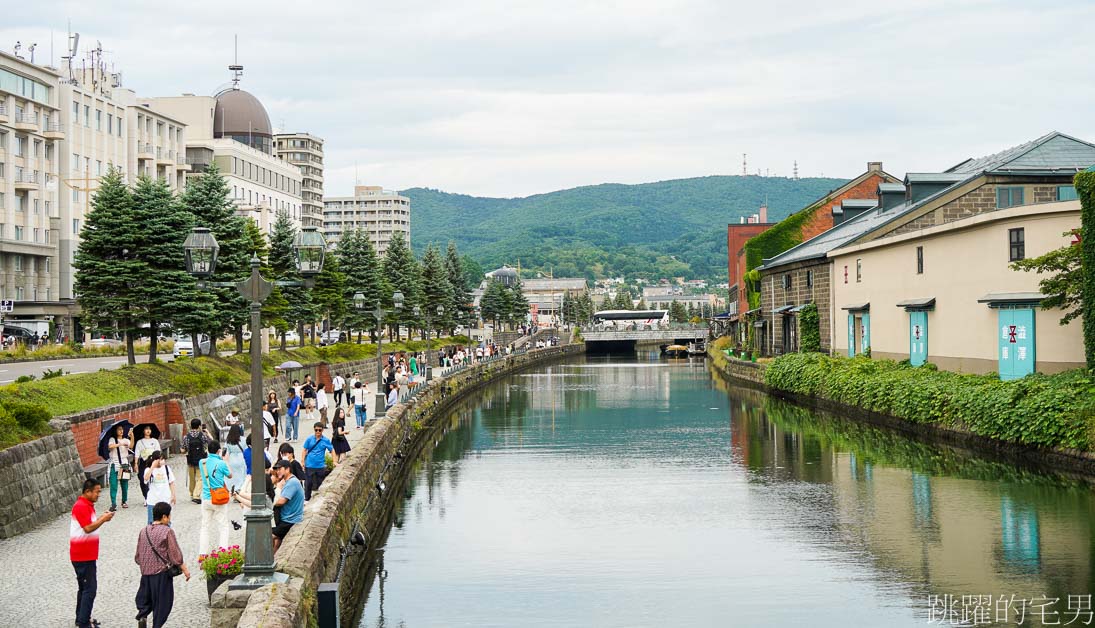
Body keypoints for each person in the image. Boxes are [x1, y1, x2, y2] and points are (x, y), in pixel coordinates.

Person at [134, 502, 190, 628]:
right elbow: (175, 554)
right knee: (162, 603)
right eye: (169, 516)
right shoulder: (167, 531)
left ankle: (143, 616)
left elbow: (138, 556)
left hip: (145, 574)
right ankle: (157, 625)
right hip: (161, 575)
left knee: (145, 599)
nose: (170, 518)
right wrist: (185, 569)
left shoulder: (143, 531)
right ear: (164, 517)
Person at [71, 478, 114, 628]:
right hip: (83, 555)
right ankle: (84, 623)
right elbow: (88, 528)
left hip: (86, 554)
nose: (98, 495)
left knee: (84, 588)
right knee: (90, 589)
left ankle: (81, 617)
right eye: (97, 492)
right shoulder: (81, 506)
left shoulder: (88, 505)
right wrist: (103, 519)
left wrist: (102, 518)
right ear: (87, 491)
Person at [198, 441, 232, 555]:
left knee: (205, 526)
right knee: (223, 526)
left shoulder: (201, 463)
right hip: (219, 498)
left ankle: (203, 553)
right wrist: (225, 461)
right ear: (219, 451)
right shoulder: (221, 463)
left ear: (208, 450)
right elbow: (230, 475)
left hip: (206, 497)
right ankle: (222, 552)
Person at [271, 459, 304, 553]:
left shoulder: (292, 483)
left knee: (267, 537)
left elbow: (282, 501)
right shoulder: (289, 481)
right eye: (276, 470)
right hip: (289, 518)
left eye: (279, 469)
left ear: (287, 469)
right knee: (277, 542)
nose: (278, 472)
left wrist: (270, 504)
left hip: (289, 520)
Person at [142, 451, 176, 525]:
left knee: (167, 522)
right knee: (152, 523)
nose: (162, 461)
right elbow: (146, 478)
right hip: (153, 501)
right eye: (160, 459)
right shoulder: (148, 470)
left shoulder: (167, 468)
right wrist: (152, 467)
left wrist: (173, 495)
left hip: (165, 500)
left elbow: (171, 482)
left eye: (163, 459)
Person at [302, 422, 334, 500]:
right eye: (316, 430)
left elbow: (332, 450)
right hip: (309, 465)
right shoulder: (309, 439)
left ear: (322, 430)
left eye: (319, 430)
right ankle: (307, 498)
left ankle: (320, 499)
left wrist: (334, 461)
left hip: (320, 465)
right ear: (314, 429)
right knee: (308, 483)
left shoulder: (325, 440)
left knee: (320, 484)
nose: (318, 432)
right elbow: (304, 449)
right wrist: (302, 461)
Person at [183, 419, 212, 504]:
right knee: (200, 478)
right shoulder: (202, 435)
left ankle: (192, 493)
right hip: (201, 459)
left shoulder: (186, 436)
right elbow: (211, 441)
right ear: (199, 426)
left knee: (192, 478)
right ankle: (196, 495)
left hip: (190, 460)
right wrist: (207, 432)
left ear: (191, 426)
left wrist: (185, 451)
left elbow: (182, 449)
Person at [107, 423, 133, 510]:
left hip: (124, 463)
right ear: (116, 431)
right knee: (113, 484)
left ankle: (124, 501)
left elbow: (131, 446)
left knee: (124, 484)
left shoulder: (126, 440)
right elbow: (110, 446)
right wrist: (119, 444)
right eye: (119, 429)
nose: (121, 431)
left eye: (122, 429)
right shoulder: (112, 439)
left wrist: (132, 436)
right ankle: (113, 503)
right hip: (114, 463)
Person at [133, 426, 161, 505]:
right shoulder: (139, 442)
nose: (148, 431)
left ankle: (154, 496)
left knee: (154, 478)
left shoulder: (154, 441)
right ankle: (146, 496)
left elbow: (158, 452)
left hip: (153, 461)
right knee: (143, 479)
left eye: (149, 429)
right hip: (143, 462)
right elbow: (137, 454)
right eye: (146, 429)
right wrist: (135, 463)